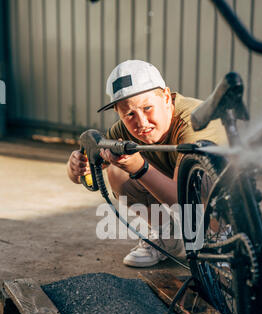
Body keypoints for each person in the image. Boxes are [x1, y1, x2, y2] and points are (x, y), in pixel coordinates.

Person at [67, 60, 227, 267]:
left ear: (167, 97)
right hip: (180, 187)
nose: (141, 123)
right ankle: (167, 237)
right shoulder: (123, 129)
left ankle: (221, 240)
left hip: (229, 197)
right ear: (119, 113)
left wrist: (139, 168)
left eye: (148, 108)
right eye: (129, 114)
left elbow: (185, 202)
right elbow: (87, 170)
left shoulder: (195, 122)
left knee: (202, 180)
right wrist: (75, 168)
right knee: (117, 172)